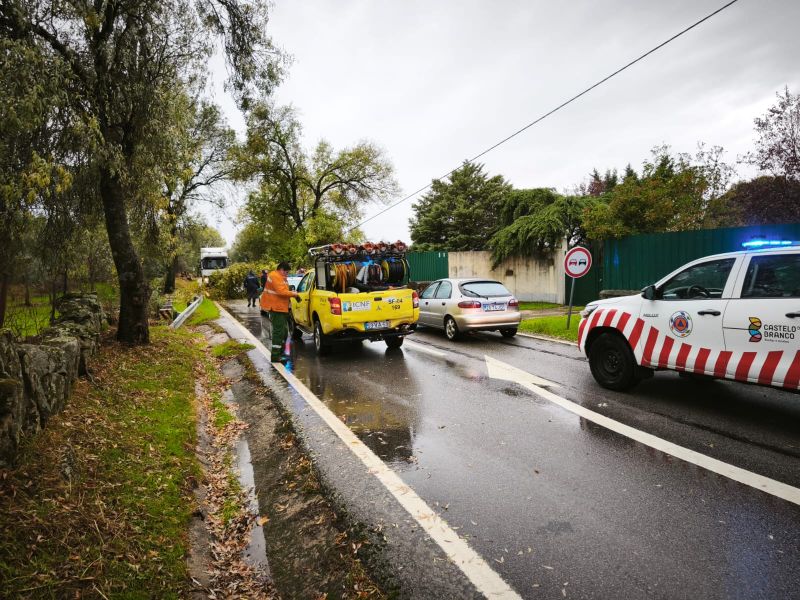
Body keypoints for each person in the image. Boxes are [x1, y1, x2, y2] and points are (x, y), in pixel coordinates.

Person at [260, 261, 301, 363]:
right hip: (276, 308)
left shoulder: (280, 277)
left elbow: (283, 289)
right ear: (281, 270)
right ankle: (275, 356)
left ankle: (281, 353)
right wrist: (294, 294)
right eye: (286, 272)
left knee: (284, 332)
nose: (287, 274)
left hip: (281, 308)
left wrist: (291, 291)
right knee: (278, 332)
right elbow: (281, 292)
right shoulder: (275, 276)